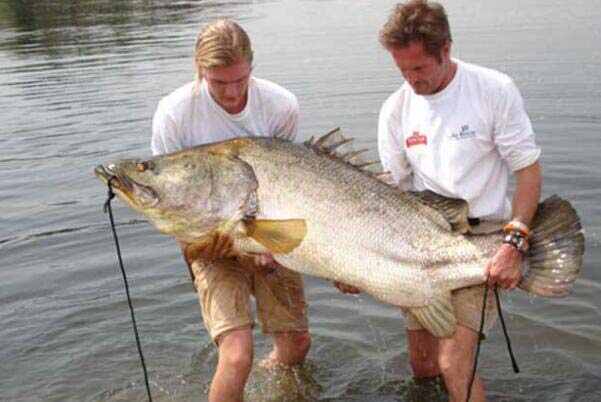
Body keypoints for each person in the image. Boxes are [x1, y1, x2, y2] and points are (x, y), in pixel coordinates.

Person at [337, 1, 542, 401]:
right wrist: (356, 262)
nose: (411, 80)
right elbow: (389, 197)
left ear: (445, 50)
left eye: (419, 69)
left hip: (483, 239)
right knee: (423, 364)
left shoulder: (493, 90)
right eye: (401, 70)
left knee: (453, 362)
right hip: (418, 240)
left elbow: (528, 171)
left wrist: (514, 242)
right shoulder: (395, 110)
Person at [150, 19, 311, 402]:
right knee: (237, 354)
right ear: (199, 70)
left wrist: (267, 249)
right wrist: (200, 250)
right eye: (218, 83)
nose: (232, 92)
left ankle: (271, 383)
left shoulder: (280, 104)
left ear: (251, 67)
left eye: (240, 80)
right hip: (209, 240)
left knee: (297, 345)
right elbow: (168, 200)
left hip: (267, 230)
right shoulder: (174, 114)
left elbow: (288, 185)